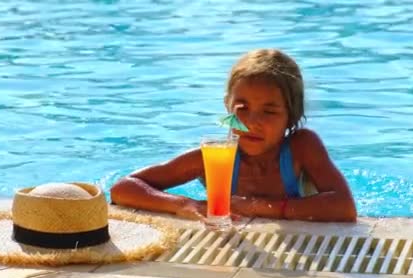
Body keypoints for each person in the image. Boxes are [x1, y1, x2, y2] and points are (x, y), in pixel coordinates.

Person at [111, 48, 357, 222]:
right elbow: (123, 188)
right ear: (228, 108)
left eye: (269, 111)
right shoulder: (216, 156)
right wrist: (184, 204)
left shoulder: (301, 148)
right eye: (242, 109)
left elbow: (344, 207)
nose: (252, 122)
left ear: (291, 116)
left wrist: (260, 208)